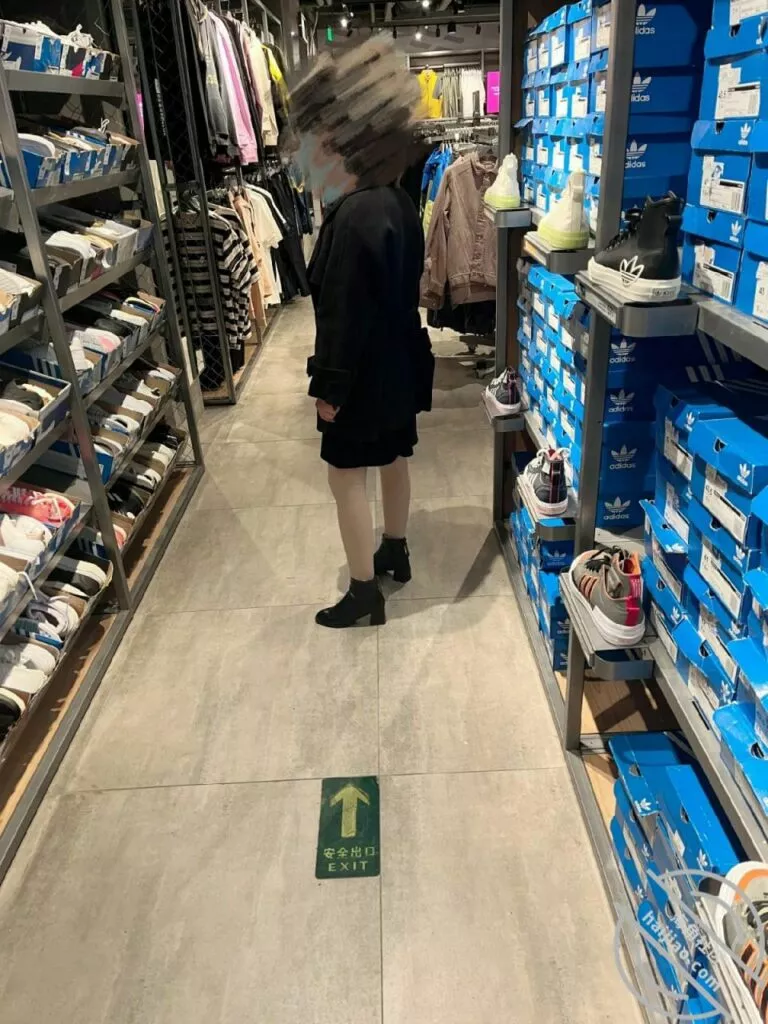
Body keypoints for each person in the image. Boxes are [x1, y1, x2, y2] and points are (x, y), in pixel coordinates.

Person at [290, 39, 435, 629]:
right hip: (399, 362)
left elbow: (343, 316)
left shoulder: (353, 215)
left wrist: (330, 389)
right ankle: (395, 549)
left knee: (345, 475)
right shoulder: (397, 201)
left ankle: (362, 591)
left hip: (364, 374)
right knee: (395, 456)